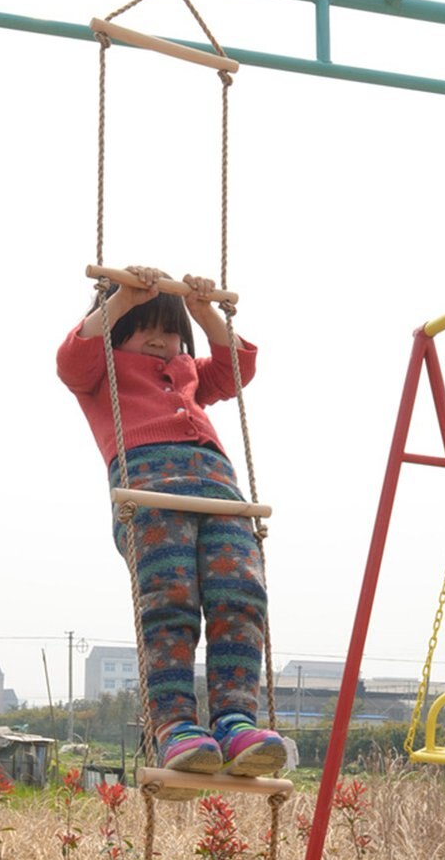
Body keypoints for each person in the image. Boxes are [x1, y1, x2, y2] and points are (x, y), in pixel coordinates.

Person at [56, 265, 285, 785]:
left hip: (219, 488)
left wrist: (204, 314)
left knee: (241, 595)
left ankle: (235, 721)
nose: (161, 342)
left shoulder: (187, 373)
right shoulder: (102, 374)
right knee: (171, 601)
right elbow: (71, 359)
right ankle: (177, 727)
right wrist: (117, 302)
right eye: (145, 328)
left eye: (170, 331)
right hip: (152, 490)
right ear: (117, 333)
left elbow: (236, 370)